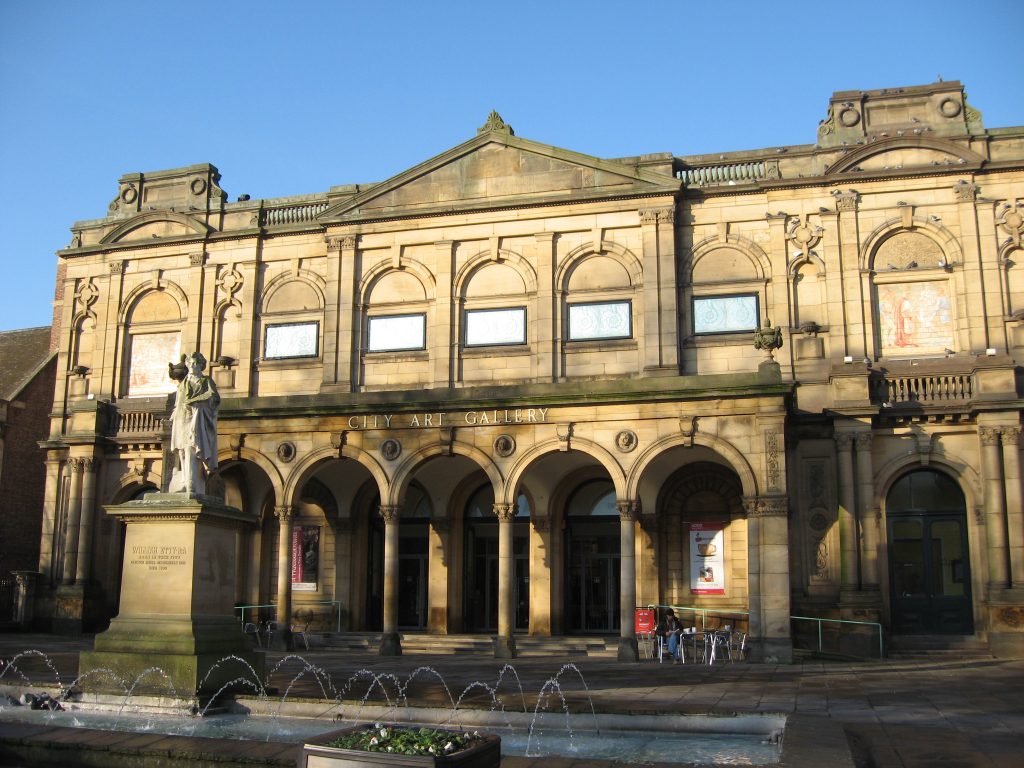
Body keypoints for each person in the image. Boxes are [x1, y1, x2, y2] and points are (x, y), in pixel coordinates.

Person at [168, 352, 221, 495]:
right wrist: (172, 417)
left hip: (196, 418)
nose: (192, 366)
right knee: (181, 451)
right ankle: (185, 481)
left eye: (195, 363)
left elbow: (215, 400)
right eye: (190, 363)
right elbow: (178, 402)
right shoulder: (184, 382)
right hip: (181, 418)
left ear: (201, 366)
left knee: (191, 449)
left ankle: (191, 483)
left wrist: (202, 402)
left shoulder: (206, 381)